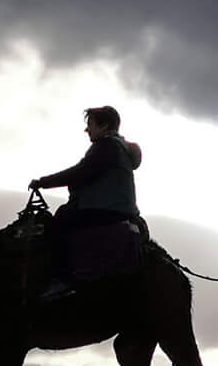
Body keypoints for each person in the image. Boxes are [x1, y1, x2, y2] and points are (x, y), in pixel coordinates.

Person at [28, 105, 144, 297]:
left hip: (104, 209)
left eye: (90, 124)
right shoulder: (121, 149)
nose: (86, 129)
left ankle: (61, 279)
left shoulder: (107, 146)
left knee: (58, 223)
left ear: (104, 126)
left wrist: (43, 183)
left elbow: (81, 172)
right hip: (123, 210)